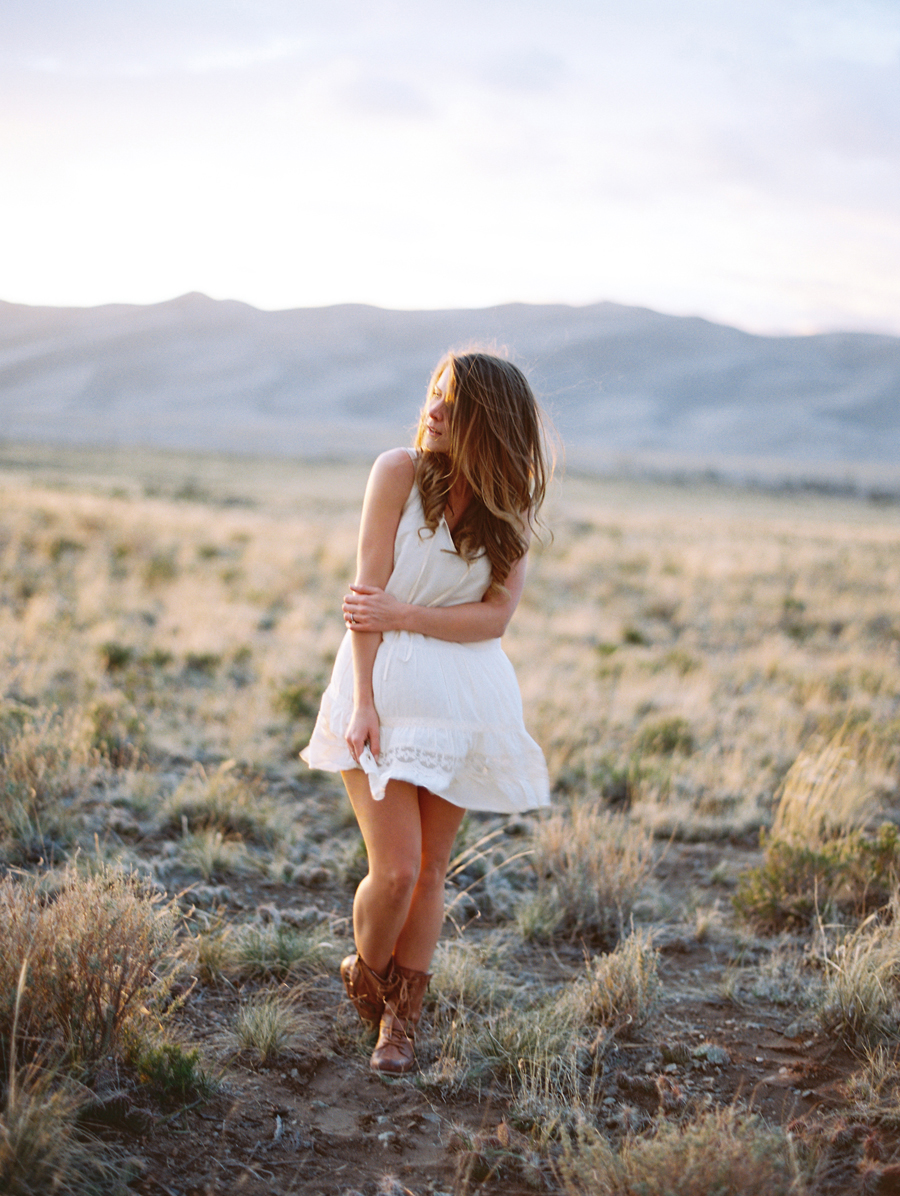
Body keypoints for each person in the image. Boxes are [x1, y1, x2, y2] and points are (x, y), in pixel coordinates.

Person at [300, 350, 552, 1074]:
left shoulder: (509, 508)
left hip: (466, 700)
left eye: (454, 401)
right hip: (379, 692)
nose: (433, 408)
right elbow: (363, 600)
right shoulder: (398, 473)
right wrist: (365, 702)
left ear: (490, 421)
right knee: (399, 871)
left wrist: (407, 612)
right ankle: (367, 974)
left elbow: (494, 620)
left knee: (434, 869)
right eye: (435, 393)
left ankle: (399, 1025)